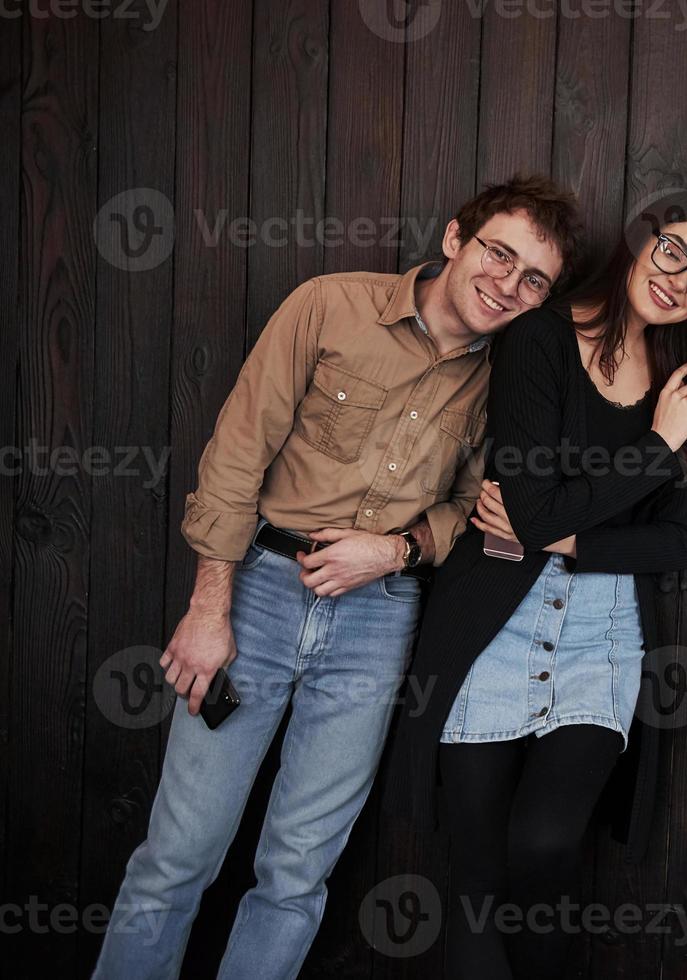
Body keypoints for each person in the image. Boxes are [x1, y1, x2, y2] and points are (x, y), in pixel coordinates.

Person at [92, 175, 584, 979]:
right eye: (500, 254)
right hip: (257, 590)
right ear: (457, 239)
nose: (509, 284)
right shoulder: (330, 306)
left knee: (296, 873)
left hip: (377, 616)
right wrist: (208, 606)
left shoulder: (508, 381)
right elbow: (237, 451)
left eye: (535, 279)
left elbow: (476, 505)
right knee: (177, 855)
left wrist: (396, 551)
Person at [385, 188, 687, 979]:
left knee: (543, 847)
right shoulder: (538, 337)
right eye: (673, 252)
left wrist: (574, 532)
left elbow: (676, 538)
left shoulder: (681, 380)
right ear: (640, 239)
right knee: (476, 875)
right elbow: (530, 502)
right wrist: (651, 450)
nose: (680, 281)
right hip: (492, 619)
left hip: (602, 631)